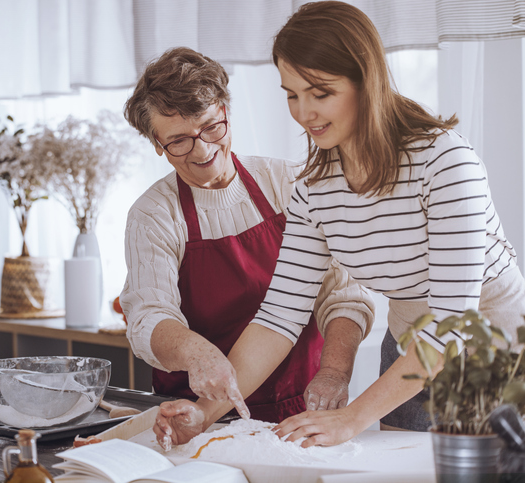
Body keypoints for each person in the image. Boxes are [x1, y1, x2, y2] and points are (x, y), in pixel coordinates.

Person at [155, 0, 525, 449]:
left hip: (497, 355)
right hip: (408, 355)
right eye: (292, 94)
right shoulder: (315, 189)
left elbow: (450, 322)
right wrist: (206, 411)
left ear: (365, 81)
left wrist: (351, 419)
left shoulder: (445, 162)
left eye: (320, 92)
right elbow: (278, 319)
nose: (304, 112)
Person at [120, 46, 376, 449]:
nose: (202, 151)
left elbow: (342, 294)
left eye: (210, 128)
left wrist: (335, 373)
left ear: (225, 109)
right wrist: (196, 354)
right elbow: (149, 317)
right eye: (179, 142)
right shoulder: (153, 215)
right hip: (197, 421)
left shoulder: (290, 184)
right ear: (156, 143)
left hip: (302, 410)